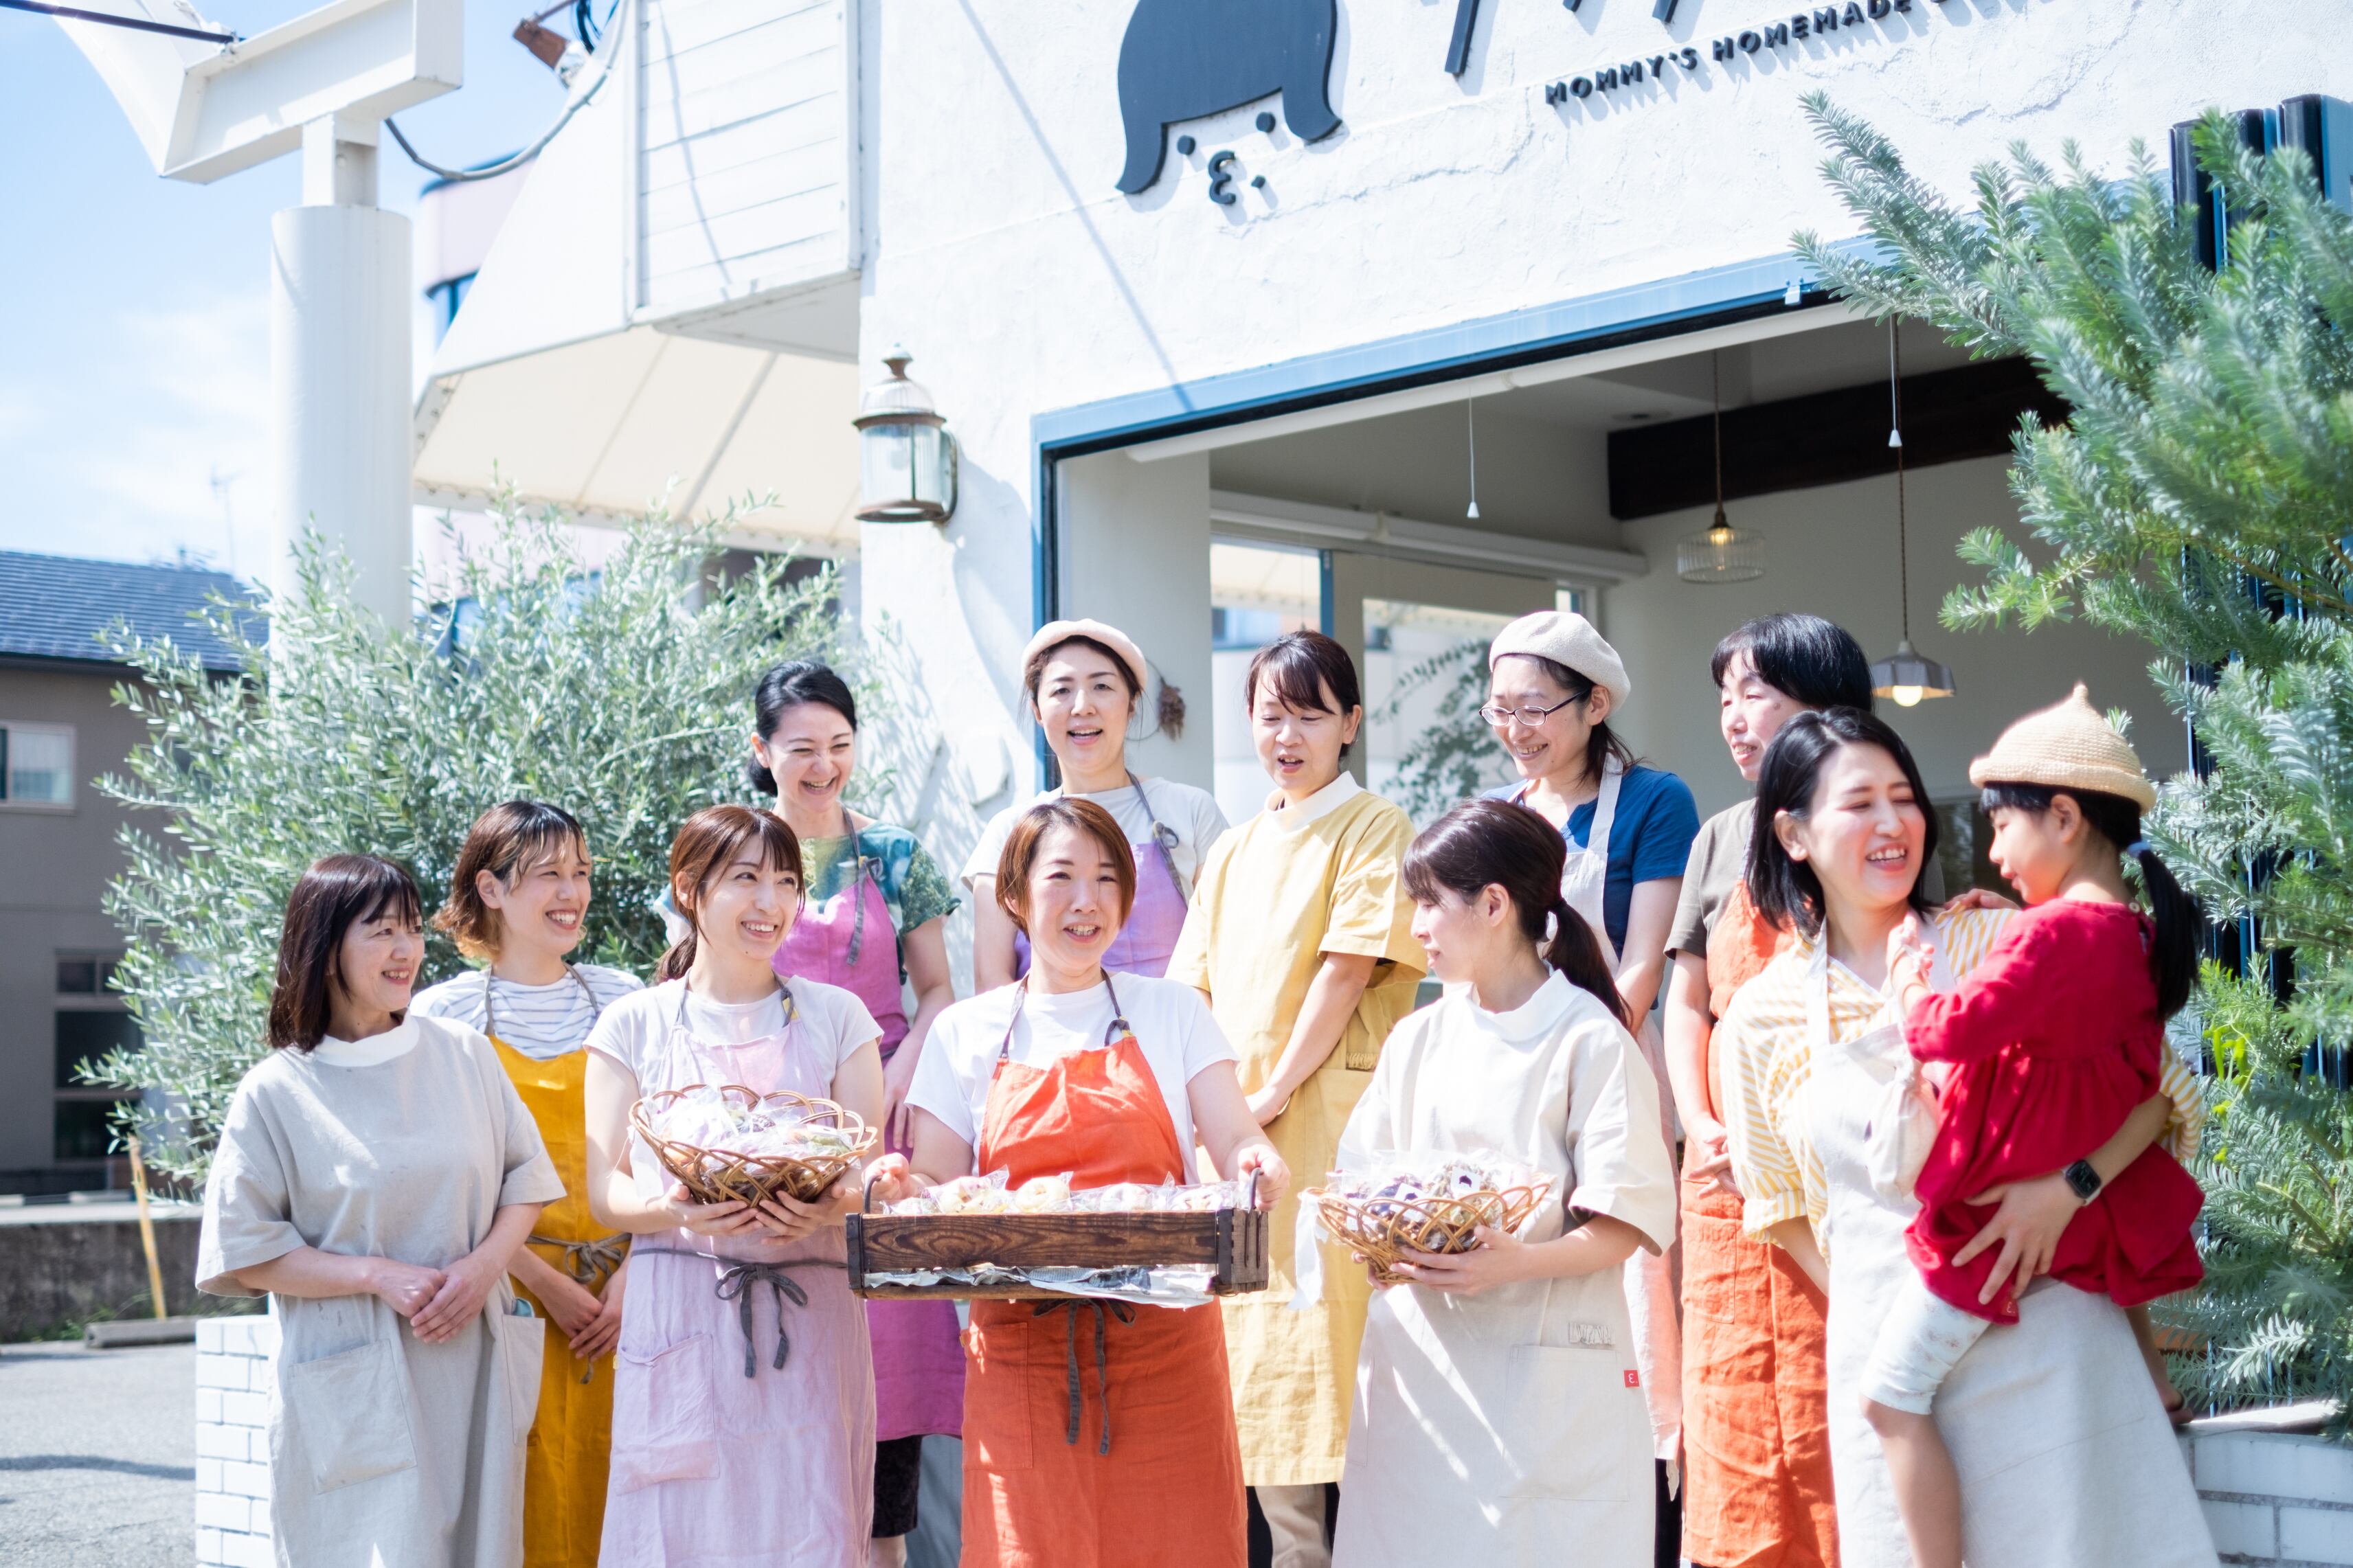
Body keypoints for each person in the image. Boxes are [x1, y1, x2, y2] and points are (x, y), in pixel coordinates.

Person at [1713, 709, 2217, 1567]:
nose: (1891, 824)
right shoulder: (1757, 1018)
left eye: (1903, 798)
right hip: (1892, 1342)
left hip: (2048, 1323)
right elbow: (1784, 1209)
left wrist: (2067, 1190)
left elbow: (2158, 1098)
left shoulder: (2000, 934)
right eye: (1859, 803)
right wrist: (1900, 1299)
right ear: (1792, 834)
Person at [877, 797, 1289, 1567]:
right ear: (1014, 895)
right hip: (1021, 1354)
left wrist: (1255, 1164)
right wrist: (903, 1187)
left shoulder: (1173, 1010)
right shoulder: (966, 1031)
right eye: (1061, 876)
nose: (1086, 901)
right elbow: (935, 1179)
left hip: (1167, 1354)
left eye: (1106, 879)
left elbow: (1236, 1137)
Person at [1865, 686, 2206, 1568]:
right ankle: (2158, 1387)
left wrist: (1905, 967)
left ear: (2061, 817)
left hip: (1988, 1229)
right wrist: (2017, 926)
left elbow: (1940, 1030)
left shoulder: (2050, 939)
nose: (1992, 852)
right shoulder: (2134, 936)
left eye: (2001, 825)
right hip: (2079, 1222)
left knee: (1889, 1398)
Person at [1329, 799, 1678, 1568]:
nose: (1415, 926)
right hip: (1421, 1370)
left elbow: (1627, 1223)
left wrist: (1516, 1262)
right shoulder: (1417, 1037)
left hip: (1544, 1382)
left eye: (1429, 903)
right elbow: (1362, 1177)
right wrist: (1379, 1239)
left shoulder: (1588, 1037)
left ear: (1493, 904)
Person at [196, 853, 563, 1568]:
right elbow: (246, 1250)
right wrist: (377, 1275)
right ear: (324, 944)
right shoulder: (277, 1091)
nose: (407, 950)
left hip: (476, 1362)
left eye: (413, 929)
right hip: (352, 1373)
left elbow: (527, 1179)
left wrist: (483, 1269)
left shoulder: (464, 1054)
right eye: (382, 931)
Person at [1167, 629, 1426, 1568]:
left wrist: (1268, 1091)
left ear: (1350, 723)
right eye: (1271, 714)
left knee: (1343, 1349)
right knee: (1254, 1358)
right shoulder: (1232, 850)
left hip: (1331, 1138)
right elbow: (1187, 995)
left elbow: (1347, 969)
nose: (1288, 735)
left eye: (1311, 715)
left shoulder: (1375, 826)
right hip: (1237, 1142)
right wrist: (1218, 1115)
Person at [583, 806, 886, 1567]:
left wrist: (829, 1203)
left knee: (813, 1531)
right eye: (745, 879)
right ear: (690, 890)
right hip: (679, 1311)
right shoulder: (633, 1024)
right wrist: (670, 1206)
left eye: (785, 882)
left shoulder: (838, 1016)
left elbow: (865, 1172)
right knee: (680, 1534)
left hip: (812, 1315)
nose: (769, 903)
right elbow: (603, 1191)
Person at [1662, 615, 1876, 1568]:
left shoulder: (1867, 827)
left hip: (1835, 1174)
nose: (1733, 717)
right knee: (1733, 1407)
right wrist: (1698, 1121)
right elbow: (1686, 1002)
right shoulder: (1717, 837)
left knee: (1848, 1403)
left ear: (1825, 705)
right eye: (1724, 698)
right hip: (1723, 1181)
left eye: (1755, 692)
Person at [1482, 609, 1697, 1523]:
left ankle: (1656, 1489)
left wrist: (1580, 1051)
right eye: (1500, 708)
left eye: (1535, 706)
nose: (1516, 728)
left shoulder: (1657, 800)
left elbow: (1644, 963)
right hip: (1518, 1073)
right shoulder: (1503, 814)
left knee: (1637, 1277)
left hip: (1615, 1059)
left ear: (1594, 703)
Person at [748, 661, 965, 1565]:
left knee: (885, 1422)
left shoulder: (894, 854)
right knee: (779, 1387)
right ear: (762, 751)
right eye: (802, 748)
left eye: (839, 745)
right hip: (767, 1140)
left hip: (881, 1134)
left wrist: (900, 1068)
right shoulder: (732, 853)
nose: (823, 765)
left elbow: (940, 988)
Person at [409, 802, 644, 1568]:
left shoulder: (624, 1000)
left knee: (627, 1501)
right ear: (491, 888)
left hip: (627, 1303)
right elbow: (440, 1186)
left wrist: (633, 1276)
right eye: (548, 874)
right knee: (514, 1501)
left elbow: (665, 1154)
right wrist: (544, 1281)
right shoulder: (442, 1016)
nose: (572, 892)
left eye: (581, 872)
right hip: (504, 1296)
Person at [964, 618, 1226, 987]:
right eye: (1062, 690)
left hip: (1176, 1024)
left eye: (1102, 686)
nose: (1082, 706)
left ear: (1132, 704)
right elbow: (992, 981)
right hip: (1048, 1027)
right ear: (1038, 711)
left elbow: (1225, 951)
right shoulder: (1008, 832)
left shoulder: (1191, 811)